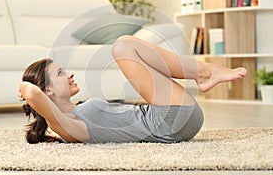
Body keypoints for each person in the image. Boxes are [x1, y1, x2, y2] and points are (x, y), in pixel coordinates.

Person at [18, 35, 247, 144]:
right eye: (60, 73)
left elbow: (35, 94)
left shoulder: (75, 114)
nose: (69, 74)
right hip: (171, 122)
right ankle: (205, 73)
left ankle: (205, 73)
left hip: (172, 119)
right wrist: (25, 86)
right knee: (124, 46)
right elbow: (32, 93)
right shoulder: (68, 125)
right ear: (47, 90)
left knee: (127, 46)